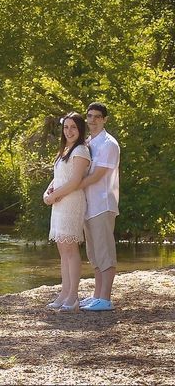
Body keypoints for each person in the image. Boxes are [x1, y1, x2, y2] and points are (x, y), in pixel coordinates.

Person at [43, 112, 91, 312]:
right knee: (63, 250)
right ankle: (64, 292)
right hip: (59, 203)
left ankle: (73, 297)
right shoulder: (65, 150)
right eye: (66, 127)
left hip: (71, 202)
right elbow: (59, 177)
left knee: (71, 249)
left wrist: (54, 196)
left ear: (80, 130)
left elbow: (75, 182)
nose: (69, 131)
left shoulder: (81, 150)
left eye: (73, 127)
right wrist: (47, 192)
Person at [77, 102, 120, 311]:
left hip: (103, 204)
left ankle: (106, 299)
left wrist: (71, 188)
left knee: (105, 252)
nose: (92, 120)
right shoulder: (88, 142)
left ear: (104, 119)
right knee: (94, 253)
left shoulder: (109, 144)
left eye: (97, 116)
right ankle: (97, 295)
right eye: (89, 116)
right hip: (89, 205)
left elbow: (97, 176)